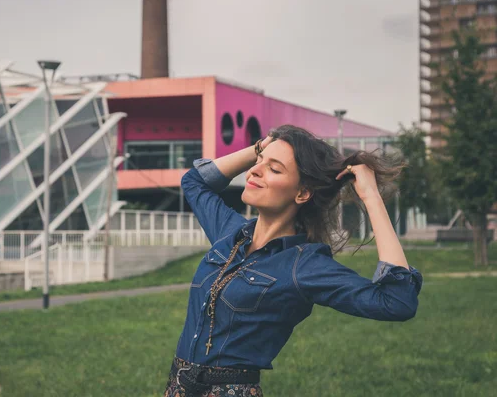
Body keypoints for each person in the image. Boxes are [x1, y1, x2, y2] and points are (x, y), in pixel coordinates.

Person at [163, 125, 423, 397]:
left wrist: (371, 197)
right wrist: (258, 149)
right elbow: (194, 181)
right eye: (258, 163)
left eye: (274, 169)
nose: (254, 171)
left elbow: (398, 302)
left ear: (302, 193)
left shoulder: (304, 265)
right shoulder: (230, 233)